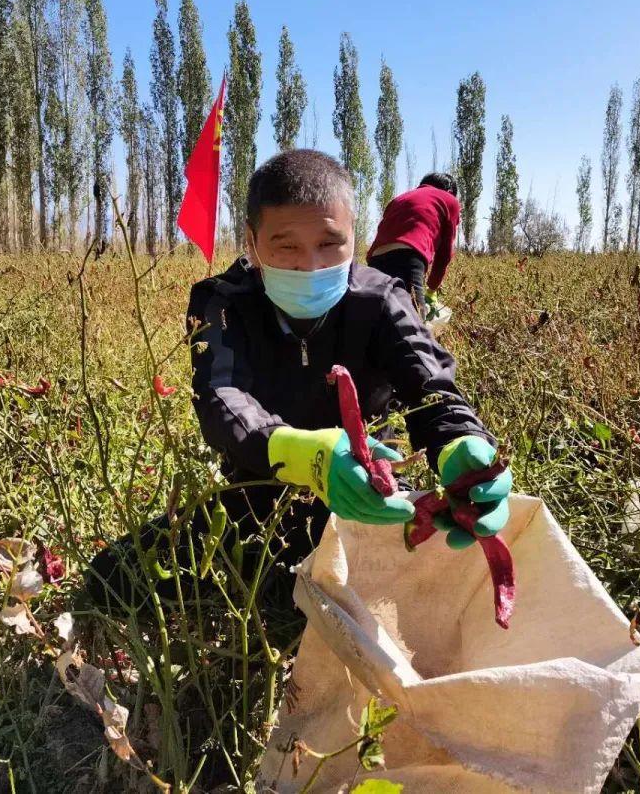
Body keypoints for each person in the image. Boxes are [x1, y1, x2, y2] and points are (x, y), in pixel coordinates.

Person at [88, 151, 509, 609]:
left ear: (354, 236)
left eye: (330, 243)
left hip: (367, 502)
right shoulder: (223, 302)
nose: (310, 266)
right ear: (251, 243)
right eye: (286, 246)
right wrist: (302, 454)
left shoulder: (383, 300)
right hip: (252, 500)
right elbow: (219, 396)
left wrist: (461, 441)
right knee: (113, 578)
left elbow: (430, 385)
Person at [367, 172, 461, 311]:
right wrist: (432, 288)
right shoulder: (450, 200)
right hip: (409, 257)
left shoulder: (399, 199)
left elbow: (382, 229)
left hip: (376, 258)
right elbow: (445, 253)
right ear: (450, 191)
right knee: (413, 317)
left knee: (374, 312)